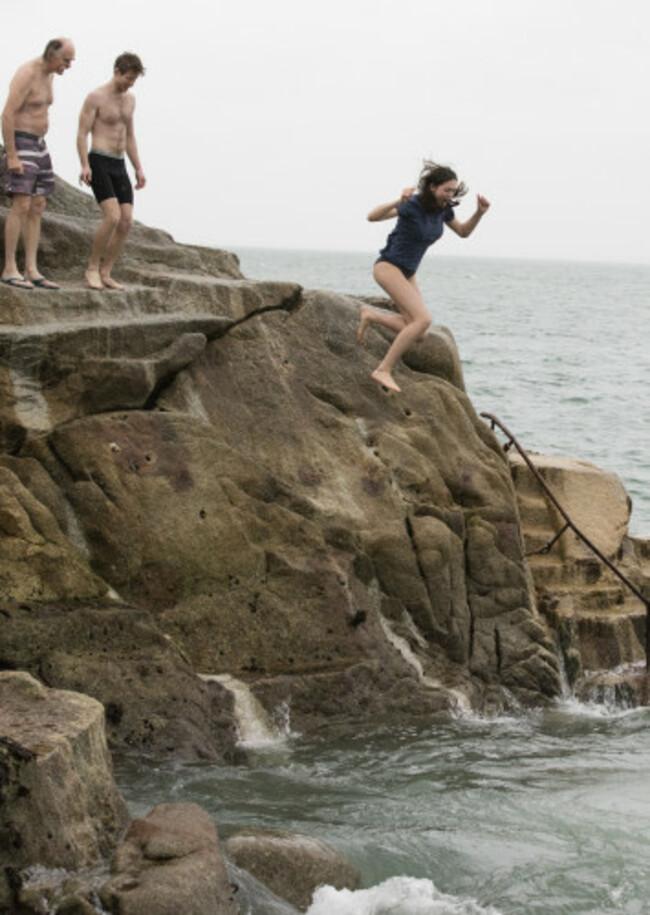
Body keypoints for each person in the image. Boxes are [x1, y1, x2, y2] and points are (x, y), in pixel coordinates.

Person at [359, 161, 490, 393]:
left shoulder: (443, 210)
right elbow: (372, 217)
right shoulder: (413, 205)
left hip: (408, 273)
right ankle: (383, 370)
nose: (450, 195)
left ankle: (371, 315)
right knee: (423, 319)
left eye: (453, 190)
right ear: (432, 187)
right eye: (446, 190)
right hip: (388, 266)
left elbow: (463, 232)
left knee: (420, 333)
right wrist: (398, 201)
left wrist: (479, 213)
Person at [1, 38, 75, 290]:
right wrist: (11, 154)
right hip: (21, 142)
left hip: (40, 144)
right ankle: (9, 268)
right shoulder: (27, 73)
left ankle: (31, 269)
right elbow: (7, 113)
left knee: (38, 204)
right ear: (52, 55)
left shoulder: (50, 75)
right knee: (21, 203)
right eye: (66, 60)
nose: (69, 65)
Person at [77, 52, 146, 290]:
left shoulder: (130, 100)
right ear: (117, 71)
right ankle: (92, 268)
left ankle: (107, 272)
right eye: (128, 78)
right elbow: (82, 132)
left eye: (134, 80)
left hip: (119, 163)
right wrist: (84, 163)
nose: (130, 84)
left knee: (126, 222)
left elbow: (130, 136)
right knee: (112, 217)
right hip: (99, 160)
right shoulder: (95, 97)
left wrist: (138, 167)